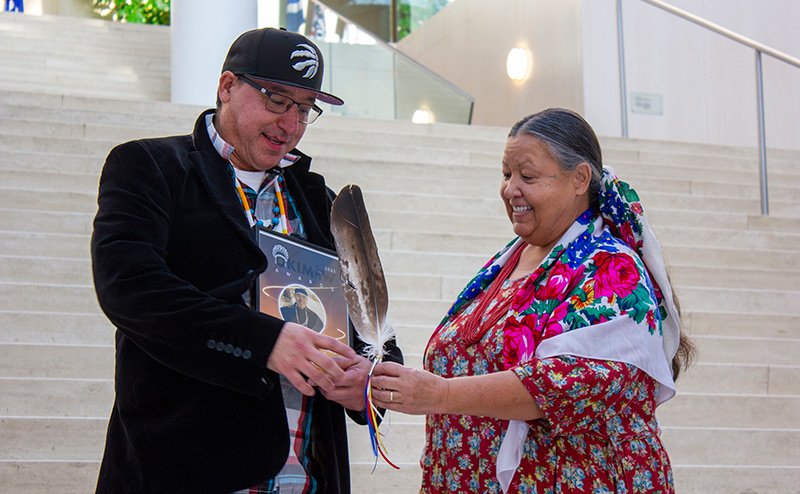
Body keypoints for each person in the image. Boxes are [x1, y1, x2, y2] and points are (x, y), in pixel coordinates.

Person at [91, 27, 402, 493]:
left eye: (304, 108)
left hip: (309, 477)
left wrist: (368, 381)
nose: (291, 124)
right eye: (277, 99)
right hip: (184, 470)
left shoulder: (321, 202)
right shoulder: (151, 166)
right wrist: (265, 342)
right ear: (227, 86)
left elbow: (376, 330)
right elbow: (131, 288)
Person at [372, 108, 694, 493]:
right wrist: (374, 386)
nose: (511, 189)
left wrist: (439, 394)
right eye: (506, 175)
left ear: (579, 179)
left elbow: (562, 384)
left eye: (527, 176)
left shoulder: (612, 269)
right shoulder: (508, 260)